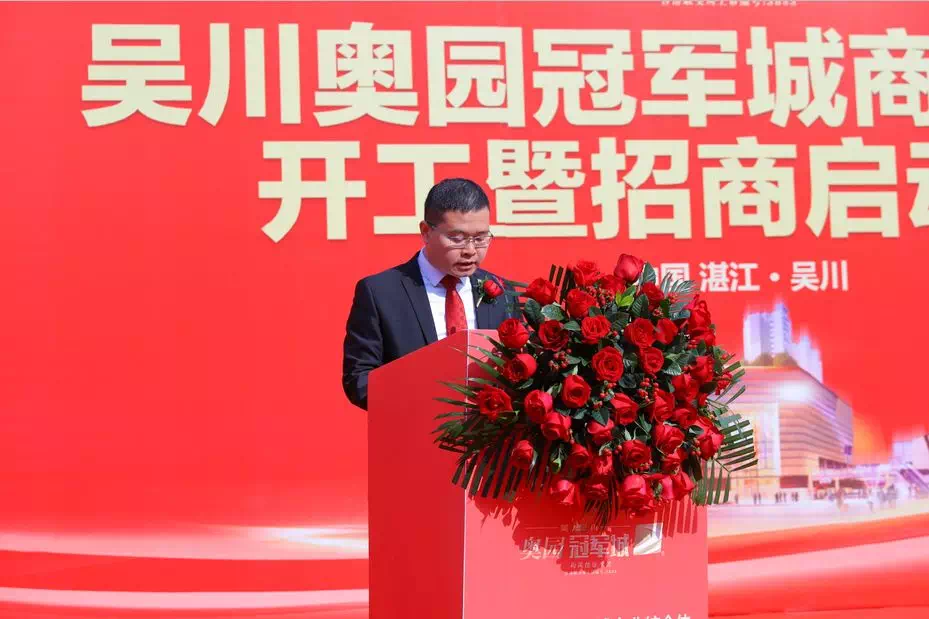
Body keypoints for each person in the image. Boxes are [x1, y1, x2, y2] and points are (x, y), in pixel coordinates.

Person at [342, 178, 516, 410]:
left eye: (480, 238)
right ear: (426, 232)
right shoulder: (380, 293)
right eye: (457, 238)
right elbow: (359, 380)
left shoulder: (502, 291)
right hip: (413, 425)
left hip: (487, 429)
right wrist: (421, 399)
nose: (470, 250)